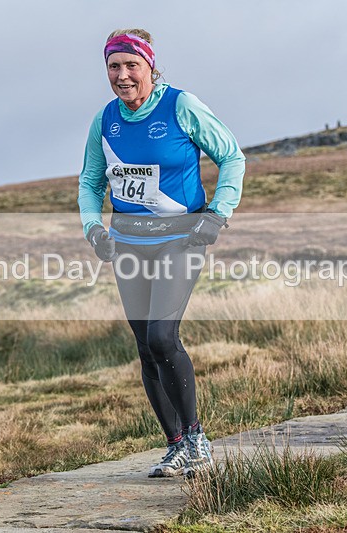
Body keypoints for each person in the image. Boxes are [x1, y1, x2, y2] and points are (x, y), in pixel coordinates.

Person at [78, 28, 245, 478]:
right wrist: (93, 227)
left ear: (150, 66)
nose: (122, 75)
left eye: (132, 65)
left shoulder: (181, 106)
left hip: (180, 238)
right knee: (144, 346)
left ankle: (197, 440)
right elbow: (91, 180)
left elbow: (232, 156)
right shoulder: (105, 120)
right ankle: (175, 447)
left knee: (161, 338)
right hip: (129, 241)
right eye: (114, 66)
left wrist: (218, 212)